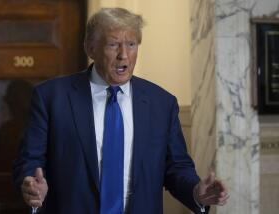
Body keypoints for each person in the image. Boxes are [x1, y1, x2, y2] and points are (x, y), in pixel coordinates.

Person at [13, 7, 229, 214]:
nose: (123, 55)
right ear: (90, 48)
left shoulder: (161, 103)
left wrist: (195, 192)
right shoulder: (51, 97)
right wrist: (31, 185)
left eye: (132, 44)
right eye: (113, 45)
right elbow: (29, 161)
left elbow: (177, 167)